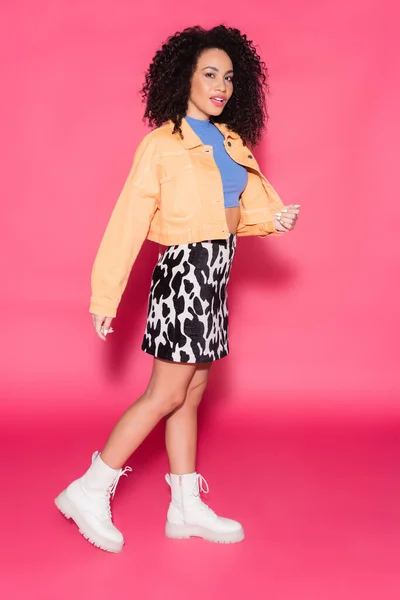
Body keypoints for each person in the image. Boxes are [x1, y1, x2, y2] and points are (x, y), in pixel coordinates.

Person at [54, 24, 300, 553]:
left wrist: (271, 221)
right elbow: (127, 219)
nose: (221, 86)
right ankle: (89, 488)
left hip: (217, 275)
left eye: (229, 77)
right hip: (185, 276)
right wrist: (105, 296)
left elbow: (233, 210)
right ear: (183, 76)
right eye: (209, 74)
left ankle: (184, 507)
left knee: (190, 395)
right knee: (165, 393)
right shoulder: (162, 145)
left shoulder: (230, 139)